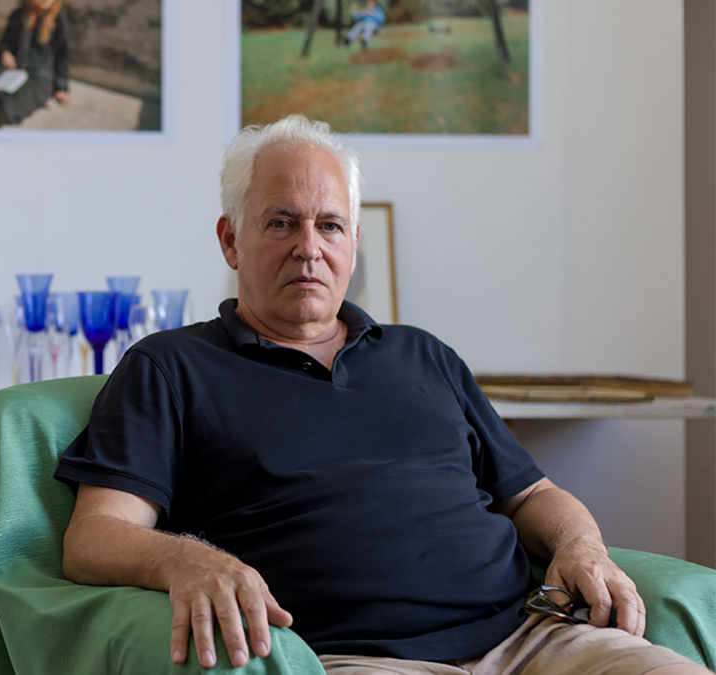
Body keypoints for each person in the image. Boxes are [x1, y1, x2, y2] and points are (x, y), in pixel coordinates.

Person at [54, 115, 706, 675]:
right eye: (281, 223)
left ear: (353, 242)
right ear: (230, 238)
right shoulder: (170, 367)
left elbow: (532, 494)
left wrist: (580, 543)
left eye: (330, 226)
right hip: (358, 656)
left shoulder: (424, 354)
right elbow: (96, 535)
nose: (309, 249)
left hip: (535, 638)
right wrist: (187, 561)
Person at [0, 0, 72, 128]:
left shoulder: (59, 21)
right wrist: (5, 53)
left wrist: (61, 87)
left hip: (39, 76)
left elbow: (63, 56)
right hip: (13, 69)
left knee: (11, 107)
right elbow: (6, 42)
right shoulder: (19, 15)